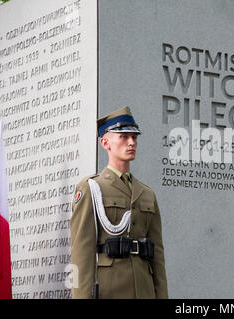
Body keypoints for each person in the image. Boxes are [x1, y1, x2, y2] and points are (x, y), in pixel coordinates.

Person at [70, 106, 168, 299]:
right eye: (123, 137)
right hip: (109, 289)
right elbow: (81, 254)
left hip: (144, 290)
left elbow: (157, 254)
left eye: (134, 137)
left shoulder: (147, 194)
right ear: (105, 142)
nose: (131, 142)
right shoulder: (91, 188)